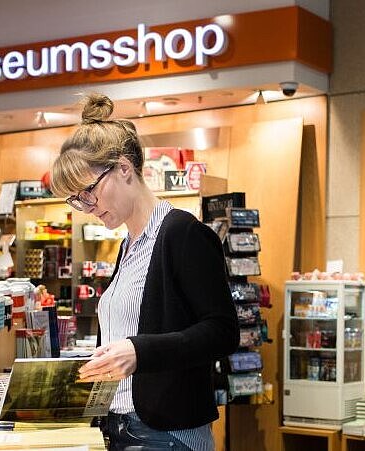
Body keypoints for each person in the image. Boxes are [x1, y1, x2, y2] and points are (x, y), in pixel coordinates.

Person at [50, 93, 239, 451]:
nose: (87, 207)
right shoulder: (129, 245)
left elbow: (223, 331)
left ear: (124, 168)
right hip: (119, 426)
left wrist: (139, 352)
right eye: (76, 200)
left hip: (166, 434)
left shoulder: (181, 233)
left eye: (88, 192)